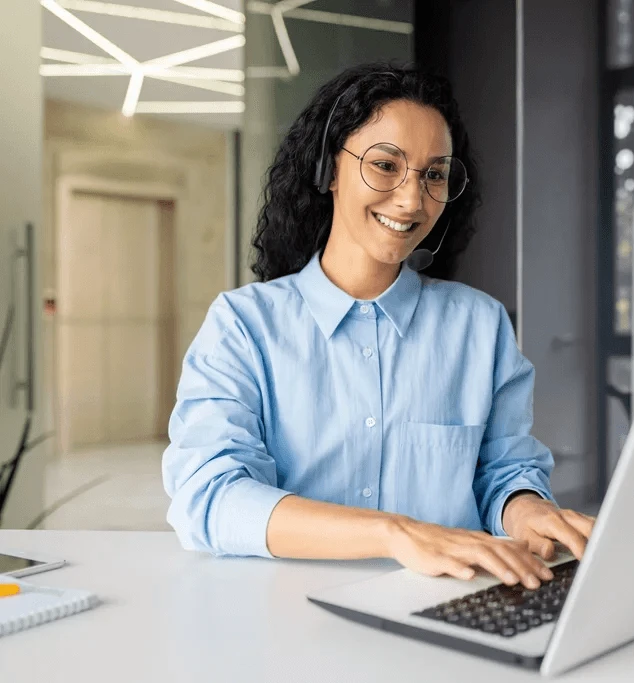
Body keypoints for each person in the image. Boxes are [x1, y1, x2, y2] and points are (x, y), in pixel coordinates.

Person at [162, 63, 594, 591]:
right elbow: (211, 497)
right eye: (386, 165)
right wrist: (395, 534)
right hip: (286, 616)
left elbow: (501, 473)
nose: (412, 200)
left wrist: (526, 512)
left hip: (444, 609)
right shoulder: (243, 327)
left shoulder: (480, 326)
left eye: (434, 174)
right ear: (328, 170)